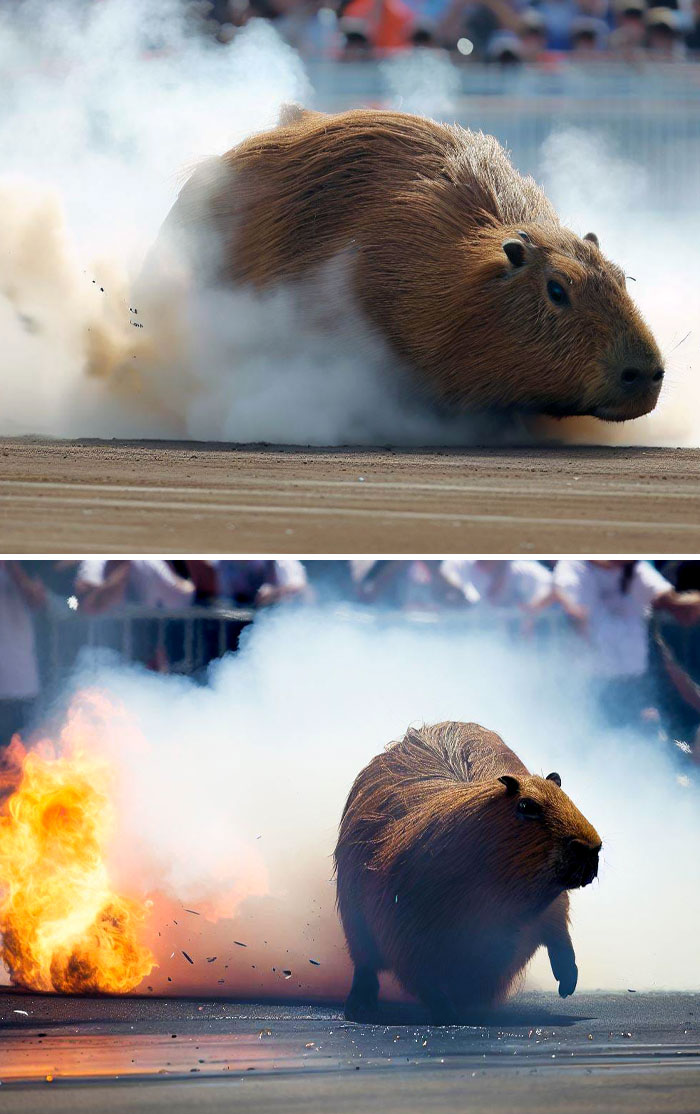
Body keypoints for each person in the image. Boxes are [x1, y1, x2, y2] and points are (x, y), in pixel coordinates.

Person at [554, 560, 700, 726]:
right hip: (594, 687)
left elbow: (675, 604)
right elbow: (575, 614)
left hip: (635, 687)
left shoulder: (635, 569)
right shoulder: (573, 568)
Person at [0, 562, 46, 747]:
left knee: (21, 765)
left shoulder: (25, 565)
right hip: (17, 687)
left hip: (19, 686)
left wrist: (13, 567)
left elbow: (38, 601)